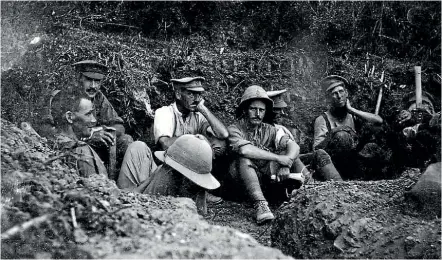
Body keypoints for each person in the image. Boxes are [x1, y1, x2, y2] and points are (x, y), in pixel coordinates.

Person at [51, 89, 219, 215]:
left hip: (123, 199)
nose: (94, 120)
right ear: (69, 117)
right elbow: (106, 203)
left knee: (145, 150)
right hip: (127, 210)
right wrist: (150, 182)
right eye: (88, 114)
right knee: (176, 167)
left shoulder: (62, 145)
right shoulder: (80, 151)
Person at [42, 60, 134, 180]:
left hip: (91, 145)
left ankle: (123, 184)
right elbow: (46, 131)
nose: (93, 86)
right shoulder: (61, 97)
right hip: (69, 149)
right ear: (78, 79)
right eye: (89, 80)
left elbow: (119, 126)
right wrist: (88, 136)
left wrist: (99, 131)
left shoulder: (98, 97)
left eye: (97, 81)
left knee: (126, 140)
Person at [226, 85, 301, 224]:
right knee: (244, 158)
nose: (258, 114)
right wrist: (279, 158)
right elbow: (245, 150)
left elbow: (293, 145)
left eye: (261, 110)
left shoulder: (270, 130)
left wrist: (288, 162)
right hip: (239, 183)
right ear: (244, 110)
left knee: (293, 157)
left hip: (264, 179)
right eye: (253, 109)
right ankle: (260, 205)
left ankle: (311, 189)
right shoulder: (234, 129)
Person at [153, 76, 229, 204]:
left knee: (219, 144)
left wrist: (203, 109)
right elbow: (165, 143)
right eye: (191, 94)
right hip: (168, 166)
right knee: (200, 143)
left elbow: (223, 134)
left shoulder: (198, 115)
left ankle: (200, 190)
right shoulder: (165, 112)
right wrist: (196, 141)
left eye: (199, 94)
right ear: (178, 94)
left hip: (190, 168)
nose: (196, 98)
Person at [313, 75, 383, 179]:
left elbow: (379, 121)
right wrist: (336, 133)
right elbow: (317, 150)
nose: (339, 96)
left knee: (375, 138)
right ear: (328, 98)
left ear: (347, 93)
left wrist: (352, 110)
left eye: (341, 91)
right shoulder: (322, 119)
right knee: (342, 136)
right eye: (334, 93)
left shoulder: (352, 115)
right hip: (334, 164)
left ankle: (368, 178)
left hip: (353, 161)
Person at [267, 89, 342, 182]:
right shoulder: (260, 130)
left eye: (281, 109)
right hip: (274, 168)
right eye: (277, 109)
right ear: (266, 110)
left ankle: (340, 186)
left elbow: (294, 149)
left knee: (319, 154)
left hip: (287, 163)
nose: (281, 113)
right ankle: (309, 186)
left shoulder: (279, 128)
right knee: (292, 157)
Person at [390, 91, 441, 167]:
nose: (421, 107)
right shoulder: (406, 121)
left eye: (427, 104)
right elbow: (397, 132)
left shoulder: (435, 121)